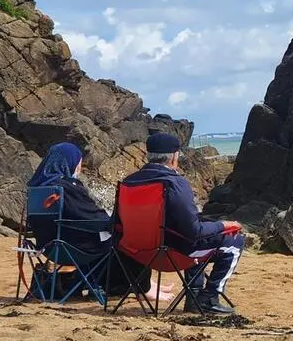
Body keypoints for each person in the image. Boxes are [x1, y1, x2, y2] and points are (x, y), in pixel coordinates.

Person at [26, 143, 173, 303]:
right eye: (79, 162)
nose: (79, 167)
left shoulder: (37, 188)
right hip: (75, 248)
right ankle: (144, 288)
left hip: (48, 247)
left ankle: (145, 283)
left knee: (113, 237)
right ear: (70, 162)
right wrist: (112, 220)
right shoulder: (66, 187)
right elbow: (89, 216)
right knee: (129, 238)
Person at [119, 132, 244, 315]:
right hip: (172, 254)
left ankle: (194, 296)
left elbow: (117, 224)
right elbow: (193, 231)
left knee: (194, 237)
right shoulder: (175, 183)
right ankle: (208, 297)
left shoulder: (128, 183)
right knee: (235, 241)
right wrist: (222, 225)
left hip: (136, 253)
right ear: (175, 157)